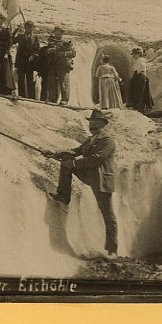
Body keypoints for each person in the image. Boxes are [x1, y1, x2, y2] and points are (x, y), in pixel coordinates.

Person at [47, 109, 119, 259]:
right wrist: (55, 153)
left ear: (102, 123)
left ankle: (112, 250)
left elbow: (96, 159)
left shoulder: (107, 140)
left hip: (101, 179)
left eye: (95, 122)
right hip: (90, 176)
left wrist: (73, 162)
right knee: (65, 165)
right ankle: (63, 195)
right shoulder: (90, 139)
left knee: (108, 214)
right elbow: (76, 151)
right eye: (90, 122)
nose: (91, 124)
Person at [46, 27, 76, 105]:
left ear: (62, 33)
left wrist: (63, 54)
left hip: (63, 65)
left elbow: (73, 53)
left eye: (58, 33)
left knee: (64, 83)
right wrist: (49, 51)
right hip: (53, 64)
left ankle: (64, 99)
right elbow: (47, 51)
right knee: (51, 82)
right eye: (55, 33)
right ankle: (52, 98)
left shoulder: (67, 42)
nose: (56, 34)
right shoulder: (52, 42)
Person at [13, 20, 41, 99]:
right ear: (25, 28)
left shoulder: (35, 37)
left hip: (30, 62)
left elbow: (37, 49)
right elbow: (12, 40)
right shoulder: (20, 36)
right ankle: (22, 96)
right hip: (21, 61)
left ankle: (31, 97)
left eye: (30, 27)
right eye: (27, 27)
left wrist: (33, 56)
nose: (29, 29)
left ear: (33, 28)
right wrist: (16, 30)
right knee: (21, 79)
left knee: (30, 80)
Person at [127, 47, 154, 112]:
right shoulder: (138, 61)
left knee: (140, 91)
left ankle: (140, 106)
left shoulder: (140, 61)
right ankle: (139, 106)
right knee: (139, 91)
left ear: (138, 54)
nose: (133, 56)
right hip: (139, 76)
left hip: (140, 76)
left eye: (134, 54)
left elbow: (140, 70)